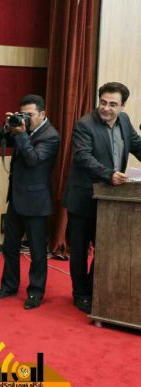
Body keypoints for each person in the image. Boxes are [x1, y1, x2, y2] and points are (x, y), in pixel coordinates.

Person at [63, 82, 141, 314]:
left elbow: (137, 146)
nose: (106, 108)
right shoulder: (84, 124)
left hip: (111, 201)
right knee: (79, 251)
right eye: (103, 102)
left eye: (112, 104)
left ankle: (93, 288)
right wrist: (109, 174)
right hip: (83, 198)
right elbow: (83, 157)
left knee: (106, 248)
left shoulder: (124, 121)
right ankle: (80, 294)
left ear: (123, 106)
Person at [0, 95, 60, 309]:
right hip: (16, 199)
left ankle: (35, 292)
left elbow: (33, 160)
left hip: (37, 203)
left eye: (30, 115)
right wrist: (7, 126)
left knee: (37, 252)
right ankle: (9, 286)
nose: (26, 119)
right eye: (23, 114)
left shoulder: (51, 136)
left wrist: (20, 134)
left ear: (42, 114)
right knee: (9, 247)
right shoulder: (23, 128)